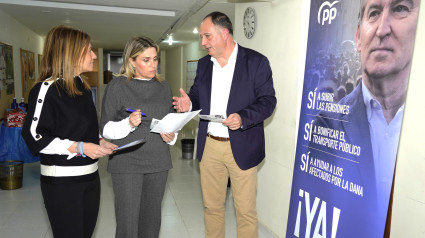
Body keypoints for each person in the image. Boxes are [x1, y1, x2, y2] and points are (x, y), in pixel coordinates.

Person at [310, 0, 420, 236]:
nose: (382, 29)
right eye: (374, 13)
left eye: (400, 8)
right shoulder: (327, 123)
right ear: (358, 37)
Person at [173, 11, 276, 238]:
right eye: (202, 37)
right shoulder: (204, 65)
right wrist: (188, 103)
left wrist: (243, 117)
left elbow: (268, 101)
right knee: (212, 208)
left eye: (207, 36)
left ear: (225, 34)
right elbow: (197, 98)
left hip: (241, 144)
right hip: (209, 146)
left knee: (245, 211)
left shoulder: (256, 62)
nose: (203, 42)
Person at [21, 25, 117, 238]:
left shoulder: (82, 85)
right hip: (62, 184)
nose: (93, 55)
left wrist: (100, 141)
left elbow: (82, 127)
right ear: (69, 53)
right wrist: (80, 147)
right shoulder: (46, 89)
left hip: (91, 177)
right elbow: (34, 135)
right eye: (88, 50)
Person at [100, 36, 176, 238]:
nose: (153, 65)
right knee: (128, 224)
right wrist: (128, 123)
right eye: (146, 60)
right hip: (127, 162)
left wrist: (171, 135)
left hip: (158, 161)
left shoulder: (164, 87)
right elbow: (105, 129)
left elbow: (169, 122)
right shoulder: (117, 86)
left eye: (155, 59)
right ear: (131, 61)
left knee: (151, 224)